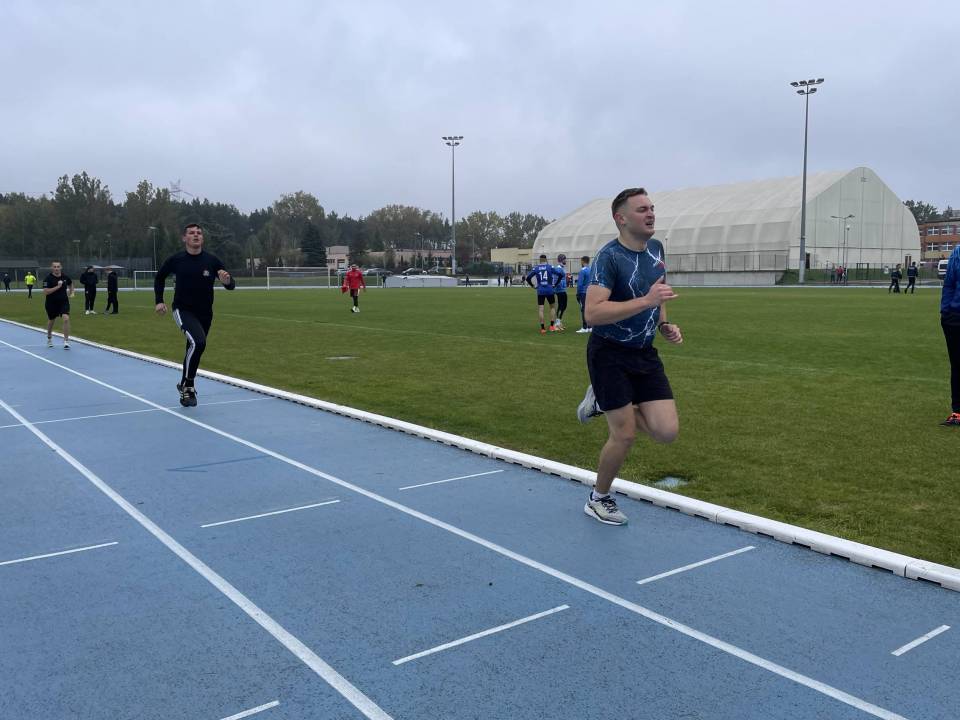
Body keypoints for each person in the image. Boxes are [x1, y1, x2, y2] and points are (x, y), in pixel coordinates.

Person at [576, 188, 683, 525]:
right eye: (641, 209)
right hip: (609, 353)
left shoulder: (657, 249)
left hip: (644, 353)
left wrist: (664, 323)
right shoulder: (608, 258)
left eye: (652, 208)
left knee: (666, 432)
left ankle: (602, 402)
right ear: (620, 218)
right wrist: (646, 301)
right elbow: (593, 313)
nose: (650, 214)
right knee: (624, 435)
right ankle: (598, 498)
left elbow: (658, 293)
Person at [154, 223, 236, 407]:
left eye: (199, 233)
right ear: (184, 238)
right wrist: (159, 300)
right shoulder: (176, 260)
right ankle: (188, 386)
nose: (196, 235)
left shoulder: (212, 261)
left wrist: (227, 282)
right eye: (191, 233)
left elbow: (230, 284)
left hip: (205, 313)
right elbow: (159, 278)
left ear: (202, 238)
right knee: (198, 342)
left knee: (195, 348)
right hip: (183, 310)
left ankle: (184, 385)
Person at [940, 244, 960, 426]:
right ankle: (958, 412)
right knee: (957, 365)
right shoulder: (957, 253)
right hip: (955, 317)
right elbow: (949, 284)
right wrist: (945, 312)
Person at [525, 253, 563, 334]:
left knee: (541, 309)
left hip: (540, 291)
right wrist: (555, 284)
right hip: (549, 290)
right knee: (552, 307)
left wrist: (533, 286)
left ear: (540, 260)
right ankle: (552, 326)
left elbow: (528, 278)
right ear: (546, 260)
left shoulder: (536, 268)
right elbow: (560, 275)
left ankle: (542, 328)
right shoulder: (550, 267)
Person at [41, 261, 74, 349]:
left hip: (63, 302)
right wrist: (58, 287)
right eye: (54, 267)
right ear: (52, 268)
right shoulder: (47, 279)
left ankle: (66, 341)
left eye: (58, 266)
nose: (56, 268)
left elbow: (71, 283)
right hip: (51, 303)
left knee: (66, 319)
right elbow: (46, 292)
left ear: (61, 267)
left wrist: (72, 292)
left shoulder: (65, 277)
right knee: (51, 321)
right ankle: (49, 338)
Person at [576, 255, 592, 333]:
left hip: (583, 292)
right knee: (589, 309)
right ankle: (590, 327)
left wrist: (578, 293)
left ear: (582, 261)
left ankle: (584, 327)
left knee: (584, 309)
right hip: (591, 292)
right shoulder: (591, 269)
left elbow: (580, 284)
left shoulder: (582, 271)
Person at [554, 254, 569, 331]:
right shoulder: (558, 269)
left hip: (563, 289)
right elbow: (556, 279)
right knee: (561, 305)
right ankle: (557, 324)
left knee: (564, 306)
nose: (565, 260)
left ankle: (559, 322)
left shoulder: (562, 268)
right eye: (564, 259)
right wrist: (558, 288)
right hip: (560, 290)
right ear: (561, 260)